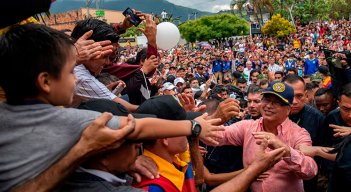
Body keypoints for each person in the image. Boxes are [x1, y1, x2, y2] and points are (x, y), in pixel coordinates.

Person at [0, 24, 224, 191]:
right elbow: (136, 126)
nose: (76, 80)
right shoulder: (68, 120)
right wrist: (192, 126)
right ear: (45, 82)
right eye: (71, 71)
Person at [213, 81, 318, 192]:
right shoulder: (247, 127)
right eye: (266, 99)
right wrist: (214, 118)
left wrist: (286, 151)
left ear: (288, 110)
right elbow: (215, 136)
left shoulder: (299, 134)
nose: (268, 105)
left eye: (276, 103)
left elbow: (310, 171)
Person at [282, 75, 325, 192]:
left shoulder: (318, 118)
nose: (294, 101)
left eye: (299, 96)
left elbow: (322, 151)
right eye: (290, 96)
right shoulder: (271, 114)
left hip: (307, 179)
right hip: (279, 178)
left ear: (306, 95)